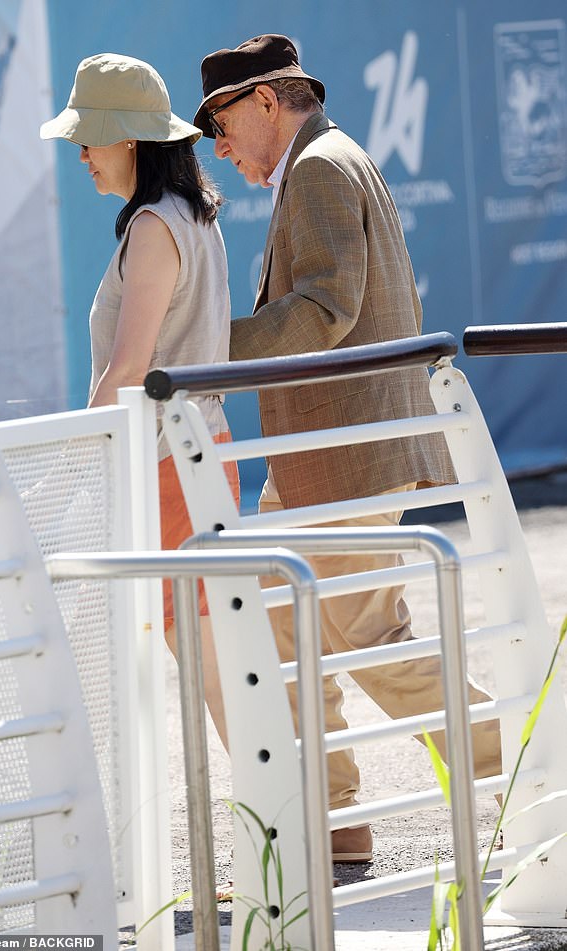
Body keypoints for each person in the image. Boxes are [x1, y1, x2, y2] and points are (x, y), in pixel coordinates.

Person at [193, 34, 502, 863]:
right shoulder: (328, 160)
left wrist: (206, 347)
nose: (218, 147)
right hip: (321, 459)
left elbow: (328, 306)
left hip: (342, 459)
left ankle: (522, 769)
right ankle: (336, 823)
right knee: (279, 625)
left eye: (219, 122)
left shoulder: (324, 167)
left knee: (373, 645)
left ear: (265, 100)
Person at [40, 52, 239, 631]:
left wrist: (66, 473)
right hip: (192, 453)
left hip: (165, 467)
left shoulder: (155, 225)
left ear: (128, 139)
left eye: (88, 139)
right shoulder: (190, 215)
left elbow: (128, 367)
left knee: (92, 660)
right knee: (205, 666)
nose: (81, 157)